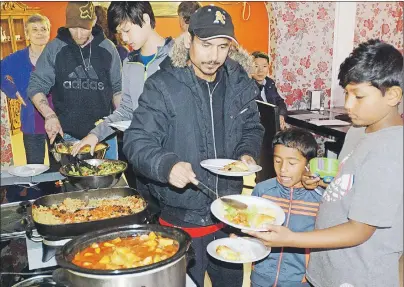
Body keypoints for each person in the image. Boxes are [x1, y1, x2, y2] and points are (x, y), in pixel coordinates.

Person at [123, 5, 264, 287]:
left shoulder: (240, 83)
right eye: (206, 45)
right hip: (182, 216)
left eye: (222, 47)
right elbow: (136, 140)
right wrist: (167, 165)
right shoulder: (163, 85)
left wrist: (245, 153)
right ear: (189, 40)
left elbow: (252, 127)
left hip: (229, 214)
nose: (214, 56)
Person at [244, 39, 403, 287]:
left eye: (358, 96)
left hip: (359, 275)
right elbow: (353, 189)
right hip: (331, 269)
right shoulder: (359, 130)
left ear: (393, 95)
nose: (348, 105)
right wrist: (323, 185)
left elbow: (361, 229)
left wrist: (293, 239)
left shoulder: (391, 151)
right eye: (347, 93)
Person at [72, 2, 173, 157]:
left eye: (127, 30)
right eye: (120, 33)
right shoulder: (129, 63)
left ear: (145, 19)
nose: (124, 38)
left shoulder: (177, 56)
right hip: (141, 153)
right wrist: (95, 134)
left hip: (173, 153)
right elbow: (125, 110)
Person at [27, 1, 122, 161]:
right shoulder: (55, 48)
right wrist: (49, 116)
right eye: (73, 27)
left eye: (84, 28)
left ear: (93, 22)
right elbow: (36, 86)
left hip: (103, 137)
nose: (78, 34)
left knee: (109, 185)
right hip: (68, 137)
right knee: (72, 185)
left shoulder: (108, 48)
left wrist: (122, 117)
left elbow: (118, 89)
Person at [250, 128, 321, 287]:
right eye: (277, 160)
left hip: (299, 281)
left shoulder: (319, 199)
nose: (283, 169)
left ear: (309, 164)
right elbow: (249, 226)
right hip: (261, 277)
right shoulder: (262, 191)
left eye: (292, 163)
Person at [1, 14, 55, 165]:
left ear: (49, 31)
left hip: (58, 120)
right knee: (34, 167)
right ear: (27, 34)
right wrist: (13, 91)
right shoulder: (17, 58)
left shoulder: (57, 56)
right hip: (31, 121)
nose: (39, 33)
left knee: (60, 167)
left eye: (43, 29)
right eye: (34, 30)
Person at [251, 51, 287, 130]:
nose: (260, 70)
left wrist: (280, 116)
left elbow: (280, 102)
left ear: (268, 67)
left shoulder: (270, 83)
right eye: (256, 66)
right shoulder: (246, 86)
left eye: (264, 66)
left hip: (273, 125)